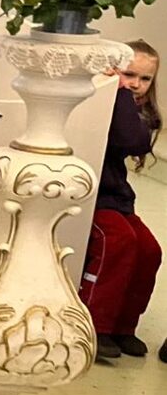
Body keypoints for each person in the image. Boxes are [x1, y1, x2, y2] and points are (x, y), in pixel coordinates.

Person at [80, 41, 161, 361]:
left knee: (150, 250)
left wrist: (123, 95)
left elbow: (137, 140)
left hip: (117, 197)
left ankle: (123, 326)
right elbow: (127, 138)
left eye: (145, 79)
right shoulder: (104, 102)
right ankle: (95, 323)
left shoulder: (135, 112)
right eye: (129, 74)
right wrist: (118, 93)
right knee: (118, 240)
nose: (136, 84)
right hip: (96, 196)